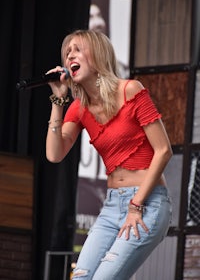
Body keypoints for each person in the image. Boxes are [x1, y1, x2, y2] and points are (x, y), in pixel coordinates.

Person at [46, 29, 173, 280]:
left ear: (98, 55)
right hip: (113, 205)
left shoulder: (130, 90)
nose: (70, 54)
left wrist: (136, 205)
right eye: (67, 51)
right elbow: (54, 154)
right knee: (80, 277)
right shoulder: (79, 108)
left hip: (147, 203)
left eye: (78, 49)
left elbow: (163, 150)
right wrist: (57, 101)